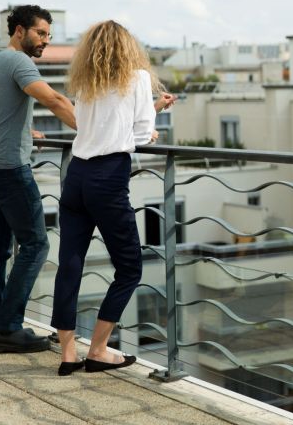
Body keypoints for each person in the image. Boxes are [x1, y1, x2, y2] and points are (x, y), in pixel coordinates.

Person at [51, 20, 175, 375]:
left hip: (76, 176)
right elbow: (137, 134)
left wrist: (152, 109)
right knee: (129, 267)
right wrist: (153, 122)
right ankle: (100, 349)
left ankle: (67, 355)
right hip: (108, 178)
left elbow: (102, 123)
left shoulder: (87, 81)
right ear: (128, 47)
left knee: (70, 266)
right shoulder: (136, 77)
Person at [0, 4, 77, 353]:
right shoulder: (20, 62)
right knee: (35, 245)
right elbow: (54, 99)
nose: (45, 41)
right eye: (40, 33)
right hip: (7, 168)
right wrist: (92, 130)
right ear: (19, 31)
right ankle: (8, 328)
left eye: (48, 34)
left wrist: (24, 130)